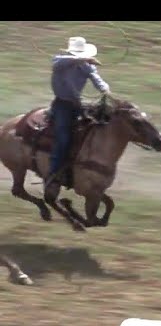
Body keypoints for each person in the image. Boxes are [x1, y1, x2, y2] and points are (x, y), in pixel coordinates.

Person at [45, 36, 110, 203]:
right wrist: (83, 58)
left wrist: (104, 89)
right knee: (63, 139)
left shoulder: (86, 66)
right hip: (62, 105)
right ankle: (53, 176)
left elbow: (97, 79)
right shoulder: (61, 62)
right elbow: (58, 62)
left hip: (77, 104)